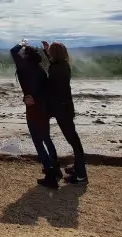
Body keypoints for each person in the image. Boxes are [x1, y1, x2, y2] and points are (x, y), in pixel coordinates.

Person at [10, 40, 61, 188]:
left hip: (33, 109)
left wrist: (22, 43)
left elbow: (13, 51)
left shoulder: (23, 67)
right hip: (44, 108)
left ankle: (50, 175)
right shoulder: (39, 69)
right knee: (46, 138)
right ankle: (56, 169)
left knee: (38, 142)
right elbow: (47, 90)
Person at [42, 40, 88, 185]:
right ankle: (78, 168)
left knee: (74, 141)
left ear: (54, 54)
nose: (49, 54)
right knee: (74, 140)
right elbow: (53, 64)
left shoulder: (56, 69)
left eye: (50, 52)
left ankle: (81, 175)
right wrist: (46, 50)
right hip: (66, 108)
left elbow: (50, 89)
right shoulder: (63, 65)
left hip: (62, 109)